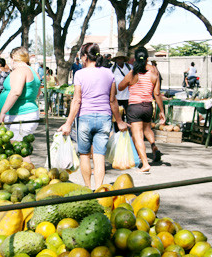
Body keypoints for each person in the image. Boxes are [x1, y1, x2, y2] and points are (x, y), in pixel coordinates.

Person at [59, 43, 128, 188]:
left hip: (85, 119)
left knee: (84, 155)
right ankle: (99, 190)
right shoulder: (109, 73)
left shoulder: (80, 74)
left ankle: (88, 189)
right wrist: (120, 121)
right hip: (104, 119)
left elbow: (77, 100)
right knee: (99, 156)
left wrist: (68, 123)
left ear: (84, 56)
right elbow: (113, 99)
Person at [119, 46, 165, 173]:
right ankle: (151, 148)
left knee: (138, 135)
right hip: (148, 107)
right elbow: (157, 94)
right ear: (147, 59)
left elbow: (120, 87)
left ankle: (145, 163)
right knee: (147, 129)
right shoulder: (154, 74)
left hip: (134, 107)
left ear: (135, 60)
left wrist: (129, 82)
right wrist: (162, 111)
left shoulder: (132, 74)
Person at [0, 46, 41, 157]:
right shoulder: (34, 72)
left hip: (20, 115)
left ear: (13, 58)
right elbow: (38, 93)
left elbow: (16, 92)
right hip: (29, 113)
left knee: (18, 153)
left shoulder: (20, 70)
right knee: (21, 151)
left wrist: (2, 112)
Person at [110, 51, 132, 121]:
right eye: (118, 59)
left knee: (130, 116)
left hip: (128, 96)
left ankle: (130, 131)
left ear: (123, 59)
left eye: (121, 58)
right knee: (118, 118)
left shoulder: (130, 68)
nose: (120, 60)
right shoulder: (112, 70)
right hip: (117, 97)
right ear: (116, 60)